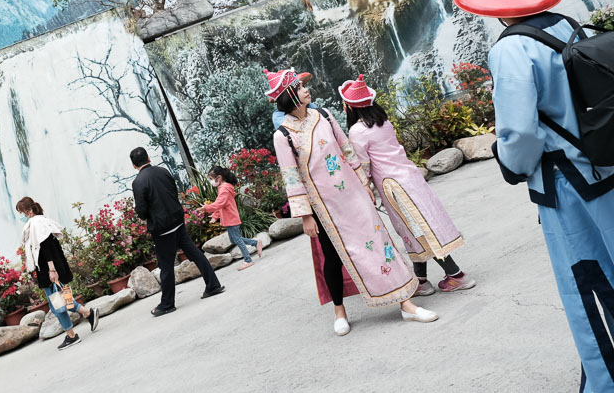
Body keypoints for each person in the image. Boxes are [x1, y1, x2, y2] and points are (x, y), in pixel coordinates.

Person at [453, 0, 614, 393]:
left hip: (565, 183)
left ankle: (605, 389)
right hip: (602, 164)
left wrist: (512, 165)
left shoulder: (509, 48)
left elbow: (519, 131)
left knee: (584, 280)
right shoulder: (567, 26)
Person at [267, 68, 437, 336]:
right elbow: (291, 177)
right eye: (299, 88)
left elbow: (347, 150)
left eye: (303, 86)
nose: (305, 90)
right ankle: (339, 311)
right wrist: (306, 216)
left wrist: (365, 183)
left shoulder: (324, 116)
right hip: (323, 206)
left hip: (354, 194)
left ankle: (406, 303)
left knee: (380, 242)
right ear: (289, 95)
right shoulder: (283, 135)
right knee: (332, 257)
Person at [340, 74, 475, 296]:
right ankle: (421, 280)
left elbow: (364, 165)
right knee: (414, 228)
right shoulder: (384, 122)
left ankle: (457, 275)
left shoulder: (357, 131)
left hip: (393, 186)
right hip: (410, 177)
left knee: (418, 229)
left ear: (351, 107)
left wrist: (362, 186)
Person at [130, 147, 225, 316]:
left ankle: (167, 304)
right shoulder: (163, 171)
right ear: (149, 158)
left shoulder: (138, 182)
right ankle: (213, 285)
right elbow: (173, 192)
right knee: (195, 253)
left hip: (162, 229)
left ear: (133, 165)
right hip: (177, 221)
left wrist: (147, 217)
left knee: (166, 266)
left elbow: (142, 211)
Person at [17, 196, 100, 350]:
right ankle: (83, 319)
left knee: (58, 303)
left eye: (21, 212)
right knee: (59, 301)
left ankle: (77, 327)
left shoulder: (37, 223)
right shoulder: (38, 222)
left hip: (49, 270)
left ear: (28, 211)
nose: (20, 215)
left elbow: (47, 248)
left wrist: (52, 270)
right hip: (46, 270)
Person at [202, 166, 263, 270]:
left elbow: (219, 203)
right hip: (230, 218)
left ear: (219, 177)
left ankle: (248, 260)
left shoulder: (224, 189)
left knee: (237, 239)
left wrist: (206, 208)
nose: (211, 181)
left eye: (211, 179)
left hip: (231, 218)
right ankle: (256, 243)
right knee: (234, 239)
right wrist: (215, 216)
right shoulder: (222, 188)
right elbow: (220, 203)